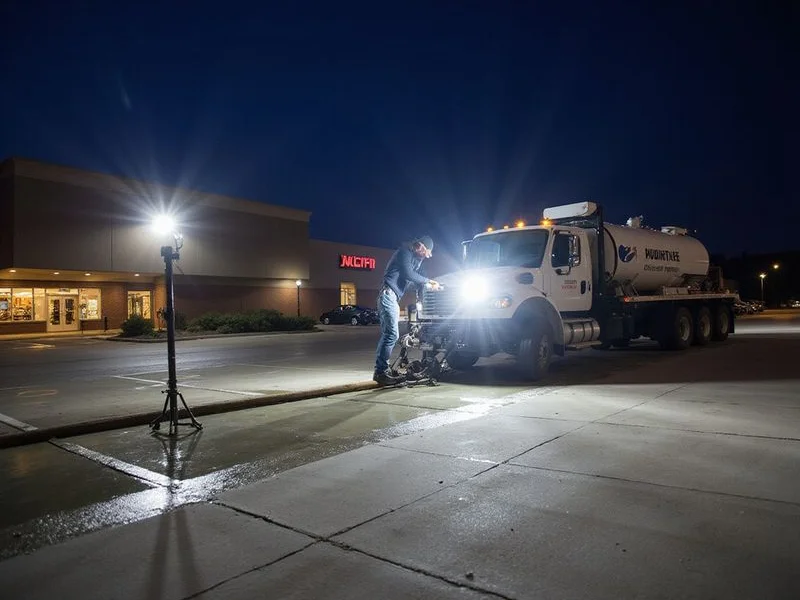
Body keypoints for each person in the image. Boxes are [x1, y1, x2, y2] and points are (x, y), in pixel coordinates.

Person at [373, 235, 440, 385]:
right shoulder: (404, 252)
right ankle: (380, 372)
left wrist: (427, 285)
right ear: (421, 246)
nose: (426, 256)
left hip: (392, 297)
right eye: (426, 252)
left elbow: (416, 280)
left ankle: (383, 370)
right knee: (391, 334)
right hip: (387, 295)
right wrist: (427, 281)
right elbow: (408, 274)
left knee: (390, 334)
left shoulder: (416, 259)